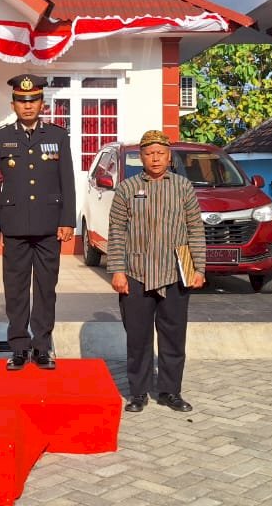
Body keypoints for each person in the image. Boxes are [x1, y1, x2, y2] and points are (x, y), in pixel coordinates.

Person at [107, 130, 206, 414]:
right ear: (141, 157)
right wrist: (117, 270)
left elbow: (195, 229)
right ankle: (137, 393)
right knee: (138, 337)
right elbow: (117, 231)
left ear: (169, 156)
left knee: (174, 336)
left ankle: (170, 391)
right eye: (149, 153)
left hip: (177, 269)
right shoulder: (127, 188)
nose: (155, 158)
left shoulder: (183, 187)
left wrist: (198, 268)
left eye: (160, 153)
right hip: (136, 271)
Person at [0, 74, 75, 371]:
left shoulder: (58, 136)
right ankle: (19, 347)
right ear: (13, 104)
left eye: (33, 100)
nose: (27, 106)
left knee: (46, 288)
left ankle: (42, 347)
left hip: (49, 225)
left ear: (42, 103)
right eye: (22, 101)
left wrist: (67, 221)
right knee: (16, 288)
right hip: (14, 225)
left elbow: (67, 181)